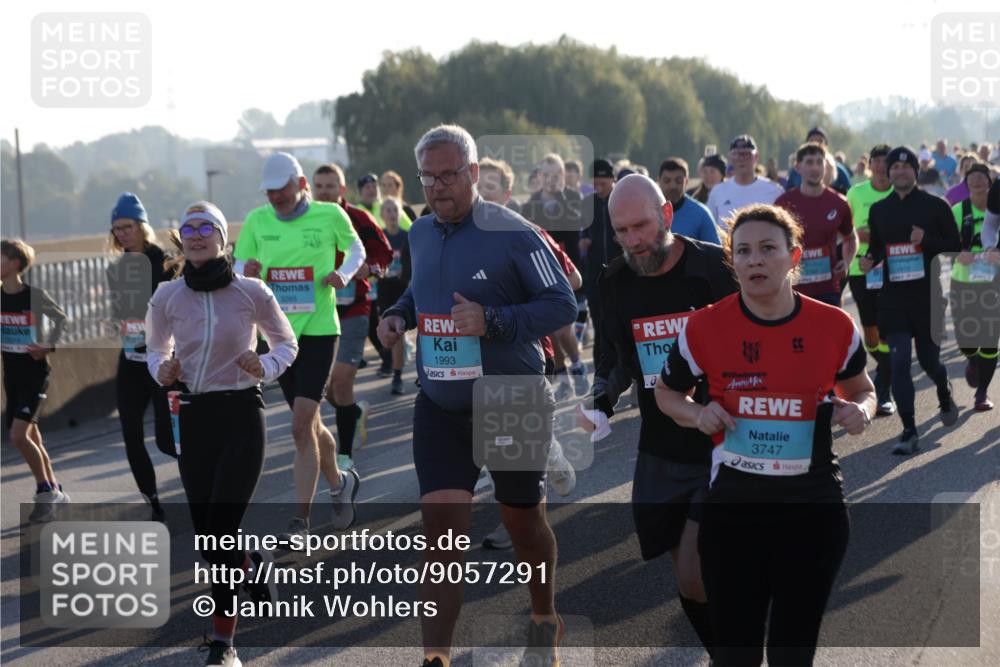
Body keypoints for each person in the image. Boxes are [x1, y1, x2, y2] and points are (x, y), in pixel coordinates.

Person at [377, 124, 577, 667]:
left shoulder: (513, 232)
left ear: (472, 172)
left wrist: (491, 321)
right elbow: (423, 292)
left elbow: (562, 304)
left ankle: (543, 617)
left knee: (523, 524)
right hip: (440, 405)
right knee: (440, 539)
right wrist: (397, 316)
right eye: (429, 177)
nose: (438, 186)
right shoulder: (420, 232)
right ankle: (435, 658)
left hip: (512, 398)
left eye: (448, 174)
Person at [655, 204, 876, 666]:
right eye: (744, 252)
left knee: (792, 655)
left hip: (812, 512)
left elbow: (863, 390)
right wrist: (697, 414)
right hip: (733, 516)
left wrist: (862, 411)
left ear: (794, 257)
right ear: (732, 262)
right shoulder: (704, 327)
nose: (755, 260)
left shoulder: (834, 326)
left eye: (768, 249)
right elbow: (666, 393)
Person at [581, 174, 737, 660]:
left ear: (666, 215)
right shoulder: (614, 282)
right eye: (621, 231)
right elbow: (613, 358)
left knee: (695, 567)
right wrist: (600, 403)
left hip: (724, 440)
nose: (632, 241)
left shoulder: (715, 269)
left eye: (641, 227)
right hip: (662, 446)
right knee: (688, 576)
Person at [146, 201, 298, 667]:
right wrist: (163, 369)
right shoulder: (167, 296)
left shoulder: (251, 291)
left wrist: (265, 364)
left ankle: (223, 643)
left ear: (220, 238)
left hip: (241, 414)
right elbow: (153, 349)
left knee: (220, 534)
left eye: (205, 228)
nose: (195, 235)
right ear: (181, 240)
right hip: (194, 416)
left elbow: (287, 343)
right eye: (187, 228)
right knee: (210, 537)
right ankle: (253, 563)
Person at [234, 152, 365, 539]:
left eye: (283, 190)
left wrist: (342, 273)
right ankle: (341, 483)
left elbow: (356, 250)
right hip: (276, 334)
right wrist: (247, 270)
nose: (276, 197)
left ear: (301, 184)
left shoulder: (330, 215)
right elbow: (239, 266)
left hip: (321, 330)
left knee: (299, 424)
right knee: (310, 423)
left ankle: (301, 519)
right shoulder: (258, 221)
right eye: (270, 192)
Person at [860, 146, 961, 454]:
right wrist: (869, 259)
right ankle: (909, 430)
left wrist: (925, 240)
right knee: (900, 360)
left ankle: (944, 392)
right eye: (895, 168)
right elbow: (876, 248)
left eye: (906, 168)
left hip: (927, 297)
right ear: (887, 173)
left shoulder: (935, 206)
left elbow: (955, 245)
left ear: (916, 171)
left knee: (931, 363)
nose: (900, 172)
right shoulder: (879, 209)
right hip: (893, 298)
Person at [313, 164, 393, 469]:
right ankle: (354, 412)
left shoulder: (358, 218)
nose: (324, 192)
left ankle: (345, 456)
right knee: (328, 390)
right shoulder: (305, 221)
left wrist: (368, 268)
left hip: (355, 310)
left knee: (342, 382)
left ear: (342, 190)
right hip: (319, 312)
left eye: (330, 186)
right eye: (318, 186)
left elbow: (384, 254)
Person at [106, 192, 178, 520]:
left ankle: (202, 482)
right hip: (131, 361)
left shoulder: (162, 261)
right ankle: (153, 503)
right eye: (117, 228)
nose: (121, 233)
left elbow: (176, 309)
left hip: (162, 362)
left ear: (141, 225)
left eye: (127, 226)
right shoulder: (117, 268)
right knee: (131, 434)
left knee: (166, 440)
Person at [1, 238, 69, 523]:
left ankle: (44, 490)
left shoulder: (34, 295)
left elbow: (61, 319)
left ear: (15, 263)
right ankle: (54, 490)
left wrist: (47, 346)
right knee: (32, 437)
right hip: (12, 376)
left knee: (18, 436)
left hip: (35, 376)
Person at [521, 153, 589, 399]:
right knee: (548, 332)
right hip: (540, 275)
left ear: (563, 177)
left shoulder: (572, 200)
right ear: (539, 177)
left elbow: (571, 240)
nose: (551, 181)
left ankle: (577, 363)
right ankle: (562, 376)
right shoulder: (530, 206)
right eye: (547, 176)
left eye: (556, 176)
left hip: (567, 271)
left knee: (562, 330)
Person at [845, 144, 896, 417]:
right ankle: (889, 364)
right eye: (876, 160)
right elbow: (844, 228)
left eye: (885, 161)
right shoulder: (855, 192)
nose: (879, 165)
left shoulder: (899, 192)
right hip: (860, 271)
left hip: (893, 271)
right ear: (870, 164)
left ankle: (883, 391)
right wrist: (857, 234)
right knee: (871, 337)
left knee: (887, 330)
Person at [775, 143, 857, 307]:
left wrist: (847, 262)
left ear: (825, 167)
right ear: (798, 167)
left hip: (829, 290)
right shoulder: (784, 203)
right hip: (793, 290)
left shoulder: (839, 202)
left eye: (820, 162)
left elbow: (851, 238)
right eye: (809, 162)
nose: (815, 167)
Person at [949, 163, 998, 411]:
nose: (977, 181)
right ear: (966, 182)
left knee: (989, 338)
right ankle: (973, 360)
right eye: (972, 177)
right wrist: (958, 253)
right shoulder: (958, 210)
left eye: (982, 176)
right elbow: (946, 240)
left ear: (990, 182)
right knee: (966, 338)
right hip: (964, 280)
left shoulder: (997, 207)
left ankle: (982, 393)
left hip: (993, 282)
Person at [579, 158, 619, 369]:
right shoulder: (587, 203)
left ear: (613, 180)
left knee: (620, 325)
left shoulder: (621, 200)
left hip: (621, 273)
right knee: (600, 324)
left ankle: (627, 373)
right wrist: (583, 242)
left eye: (603, 183)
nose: (599, 188)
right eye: (595, 184)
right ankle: (601, 376)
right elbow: (582, 233)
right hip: (594, 275)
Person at [707, 135, 784, 233]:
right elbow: (711, 229)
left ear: (756, 157)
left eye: (746, 154)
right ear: (730, 158)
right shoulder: (718, 191)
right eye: (736, 154)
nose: (741, 159)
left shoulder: (774, 190)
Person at [376, 196, 412, 394]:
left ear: (400, 213)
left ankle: (397, 376)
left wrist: (405, 271)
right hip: (384, 288)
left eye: (395, 210)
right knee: (384, 328)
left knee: (398, 332)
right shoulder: (379, 236)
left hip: (402, 287)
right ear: (382, 215)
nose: (391, 214)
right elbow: (371, 261)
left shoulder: (408, 236)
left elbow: (415, 261)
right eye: (387, 210)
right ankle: (387, 360)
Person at [657, 157, 720, 243]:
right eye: (667, 181)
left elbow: (716, 252)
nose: (672, 186)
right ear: (659, 181)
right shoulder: (647, 211)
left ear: (686, 182)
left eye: (678, 181)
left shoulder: (701, 214)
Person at [785, 126, 853, 194]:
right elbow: (788, 191)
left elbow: (850, 193)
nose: (816, 144)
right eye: (812, 141)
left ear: (826, 145)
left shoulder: (839, 170)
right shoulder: (796, 171)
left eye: (820, 141)